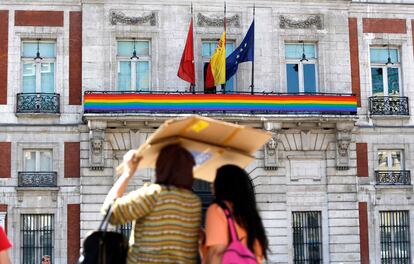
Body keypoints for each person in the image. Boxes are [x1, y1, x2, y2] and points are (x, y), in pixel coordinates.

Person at [102, 144, 202, 264]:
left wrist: (127, 173)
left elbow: (110, 212)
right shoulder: (194, 202)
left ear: (161, 167)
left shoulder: (153, 195)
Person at [200, 165, 269, 264]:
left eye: (216, 179)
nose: (212, 184)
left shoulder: (218, 209)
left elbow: (216, 254)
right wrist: (203, 241)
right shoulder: (252, 218)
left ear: (223, 184)